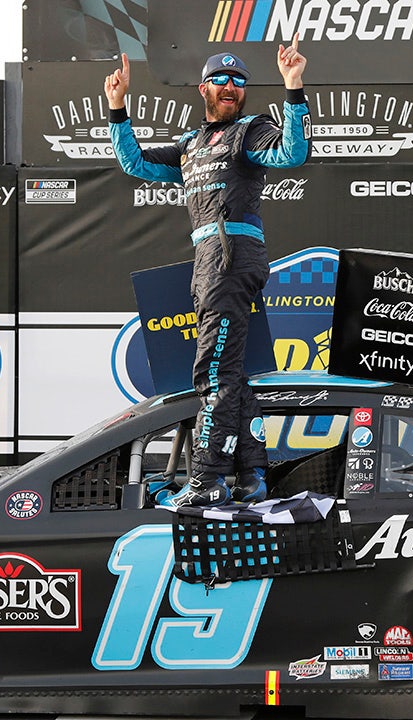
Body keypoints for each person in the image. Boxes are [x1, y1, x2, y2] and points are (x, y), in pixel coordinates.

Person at [104, 38, 310, 507]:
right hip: (209, 261)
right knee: (232, 372)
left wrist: (293, 87)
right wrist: (117, 108)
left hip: (232, 258)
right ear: (204, 88)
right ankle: (252, 476)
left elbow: (292, 154)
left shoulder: (252, 131)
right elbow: (134, 162)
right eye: (221, 79)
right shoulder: (190, 145)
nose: (230, 86)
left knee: (213, 373)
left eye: (238, 81)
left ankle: (207, 480)